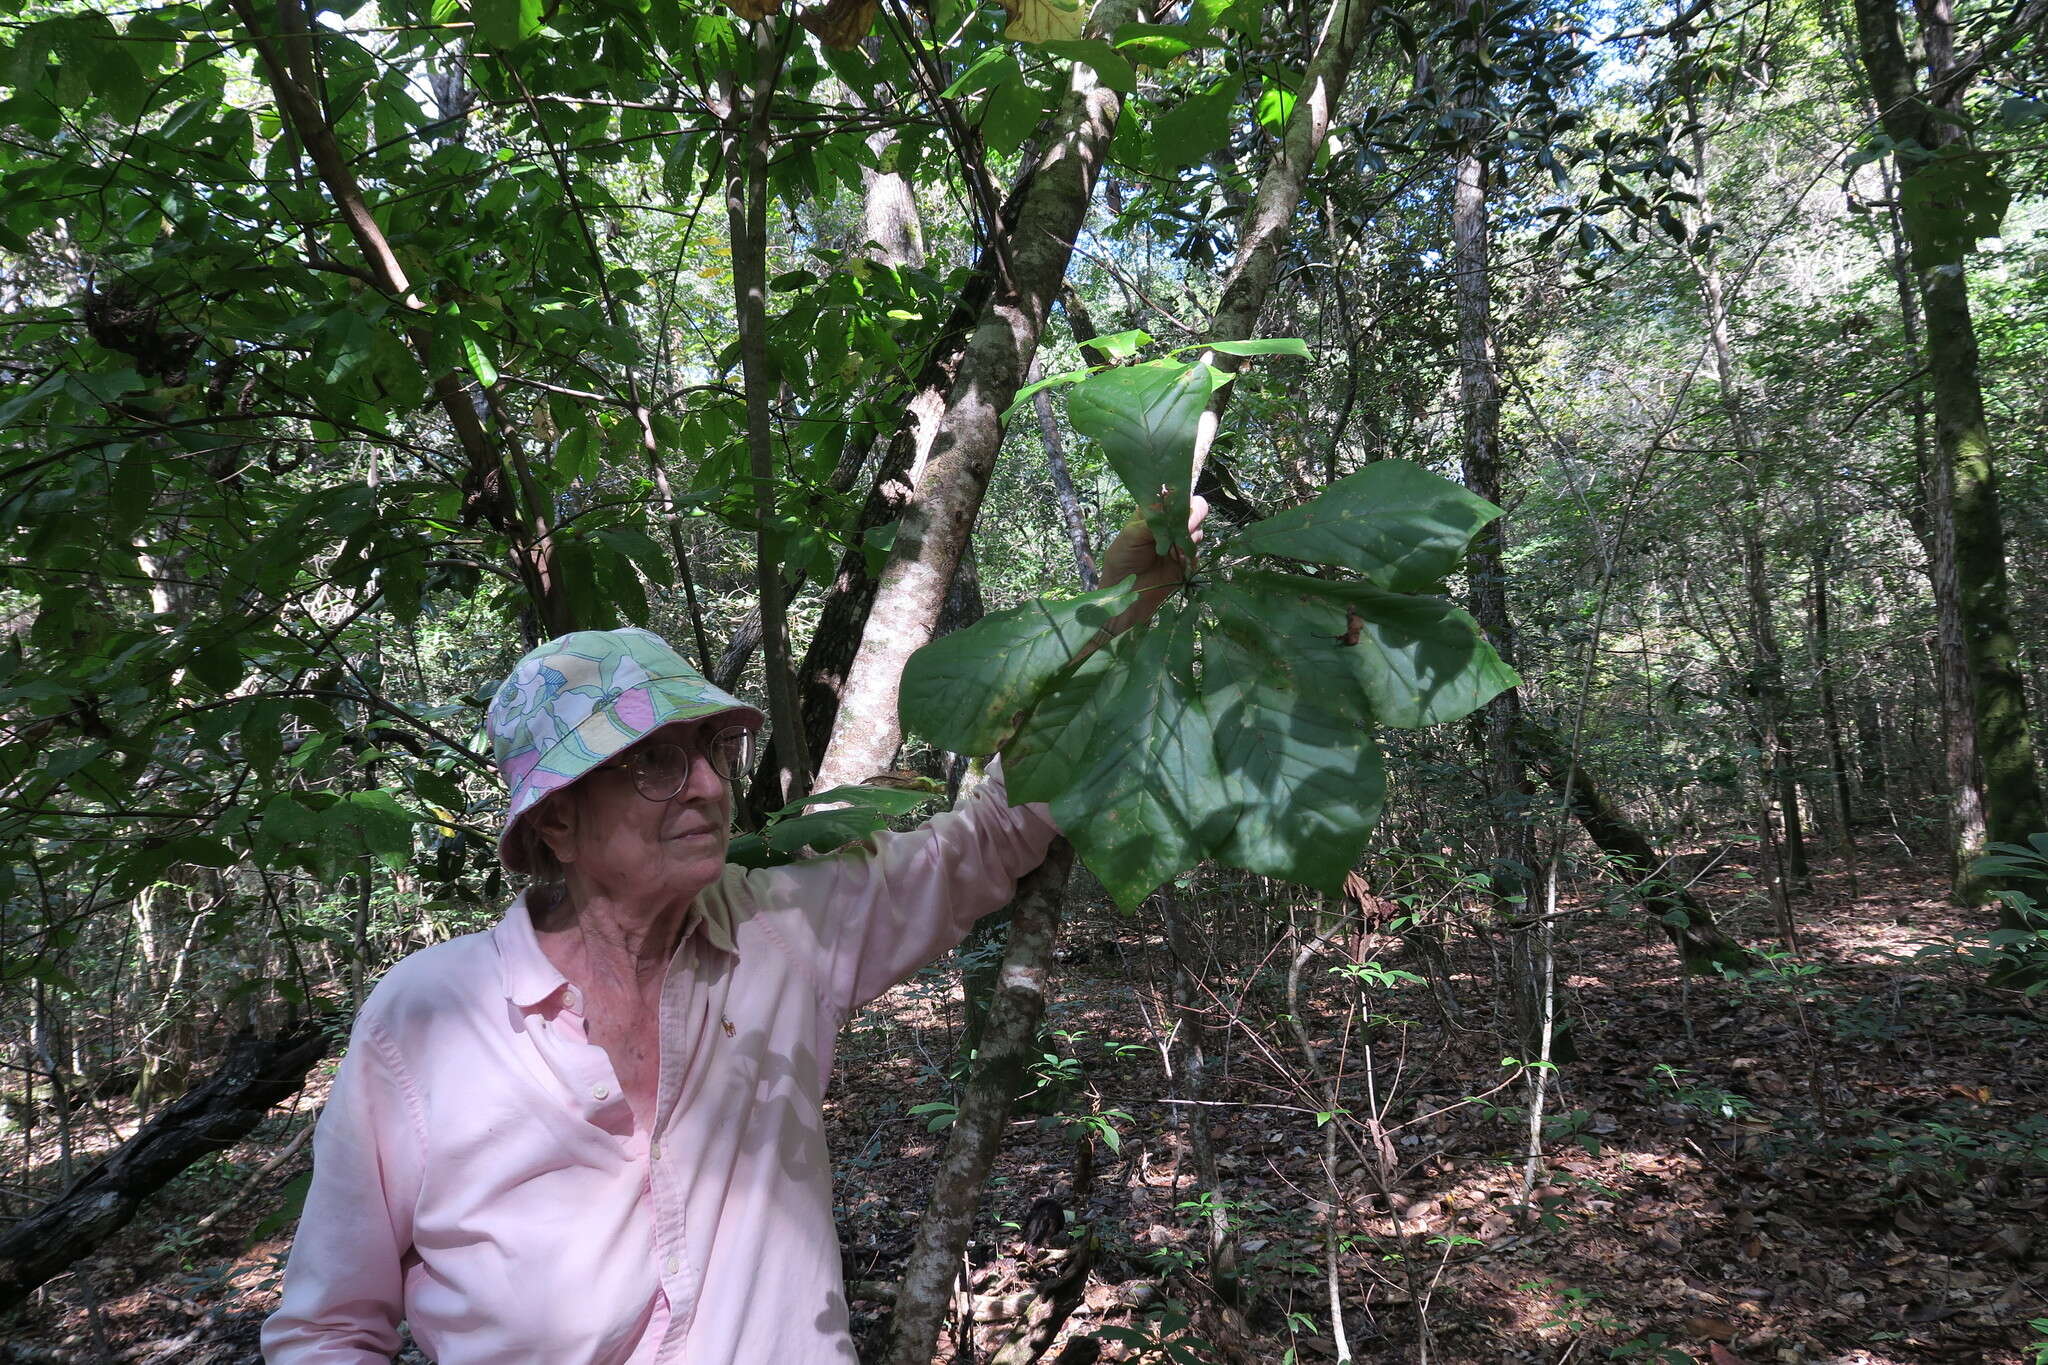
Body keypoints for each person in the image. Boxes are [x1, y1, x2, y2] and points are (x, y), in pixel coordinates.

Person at [262, 502, 1204, 1364]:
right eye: (657, 762)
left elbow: (985, 839)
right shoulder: (429, 1023)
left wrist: (1110, 618)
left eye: (712, 750)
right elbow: (325, 1327)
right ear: (554, 823)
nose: (710, 786)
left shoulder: (779, 930)